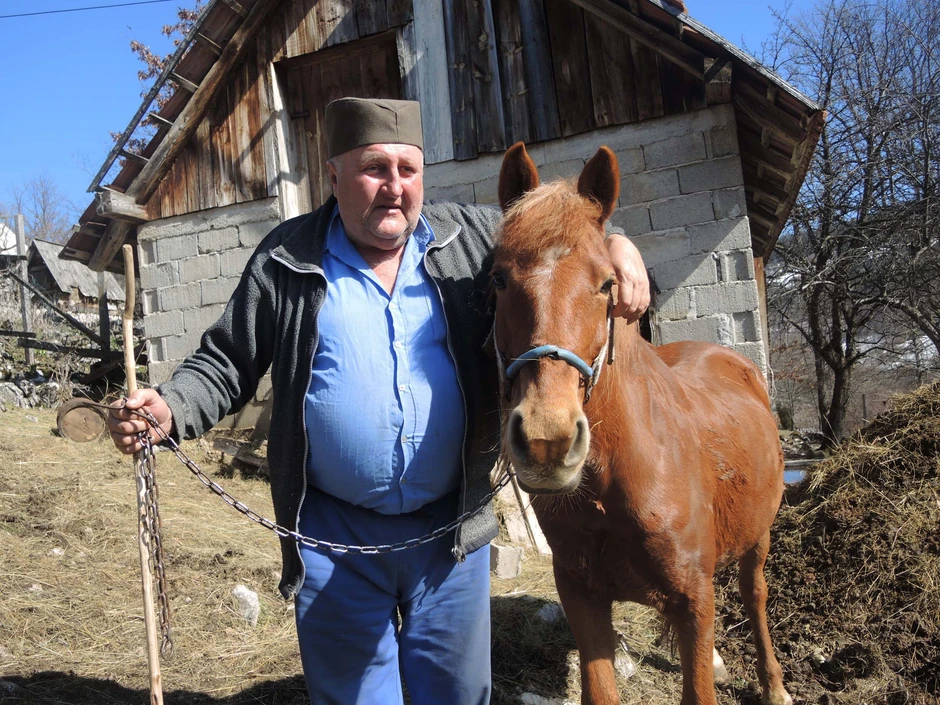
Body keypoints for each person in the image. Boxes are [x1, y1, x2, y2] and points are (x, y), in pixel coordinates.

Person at [109, 97, 650, 705]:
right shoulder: (287, 261)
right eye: (374, 168)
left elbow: (563, 248)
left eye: (408, 169)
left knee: (456, 698)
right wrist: (172, 407)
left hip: (450, 537)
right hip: (335, 542)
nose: (394, 187)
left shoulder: (470, 242)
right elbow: (227, 360)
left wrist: (622, 246)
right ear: (334, 175)